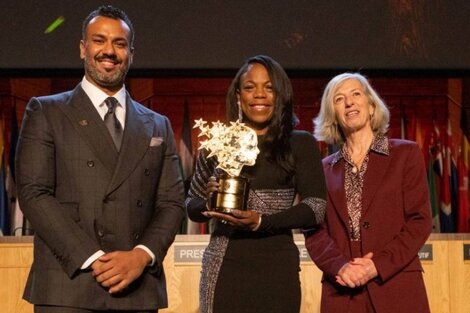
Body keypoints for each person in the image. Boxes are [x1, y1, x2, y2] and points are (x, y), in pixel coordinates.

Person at [16, 5, 185, 313]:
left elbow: (172, 203)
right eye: (99, 40)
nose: (109, 51)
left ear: (131, 53)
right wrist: (94, 258)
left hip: (137, 287)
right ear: (83, 48)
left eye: (120, 44)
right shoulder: (46, 111)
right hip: (68, 288)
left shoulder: (157, 124)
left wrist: (141, 255)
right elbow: (33, 193)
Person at [186, 55, 327, 313]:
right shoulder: (217, 144)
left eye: (269, 87)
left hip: (277, 267)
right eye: (250, 87)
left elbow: (315, 209)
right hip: (223, 264)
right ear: (238, 96)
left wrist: (262, 221)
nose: (259, 95)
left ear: (280, 94)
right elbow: (190, 205)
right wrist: (208, 203)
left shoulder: (300, 143)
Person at [304, 72, 432, 313]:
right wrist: (340, 267)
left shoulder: (406, 154)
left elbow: (420, 221)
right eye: (339, 99)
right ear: (333, 115)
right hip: (343, 291)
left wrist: (376, 266)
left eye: (356, 94)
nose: (349, 102)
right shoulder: (321, 170)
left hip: (396, 286)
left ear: (372, 106)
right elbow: (314, 230)